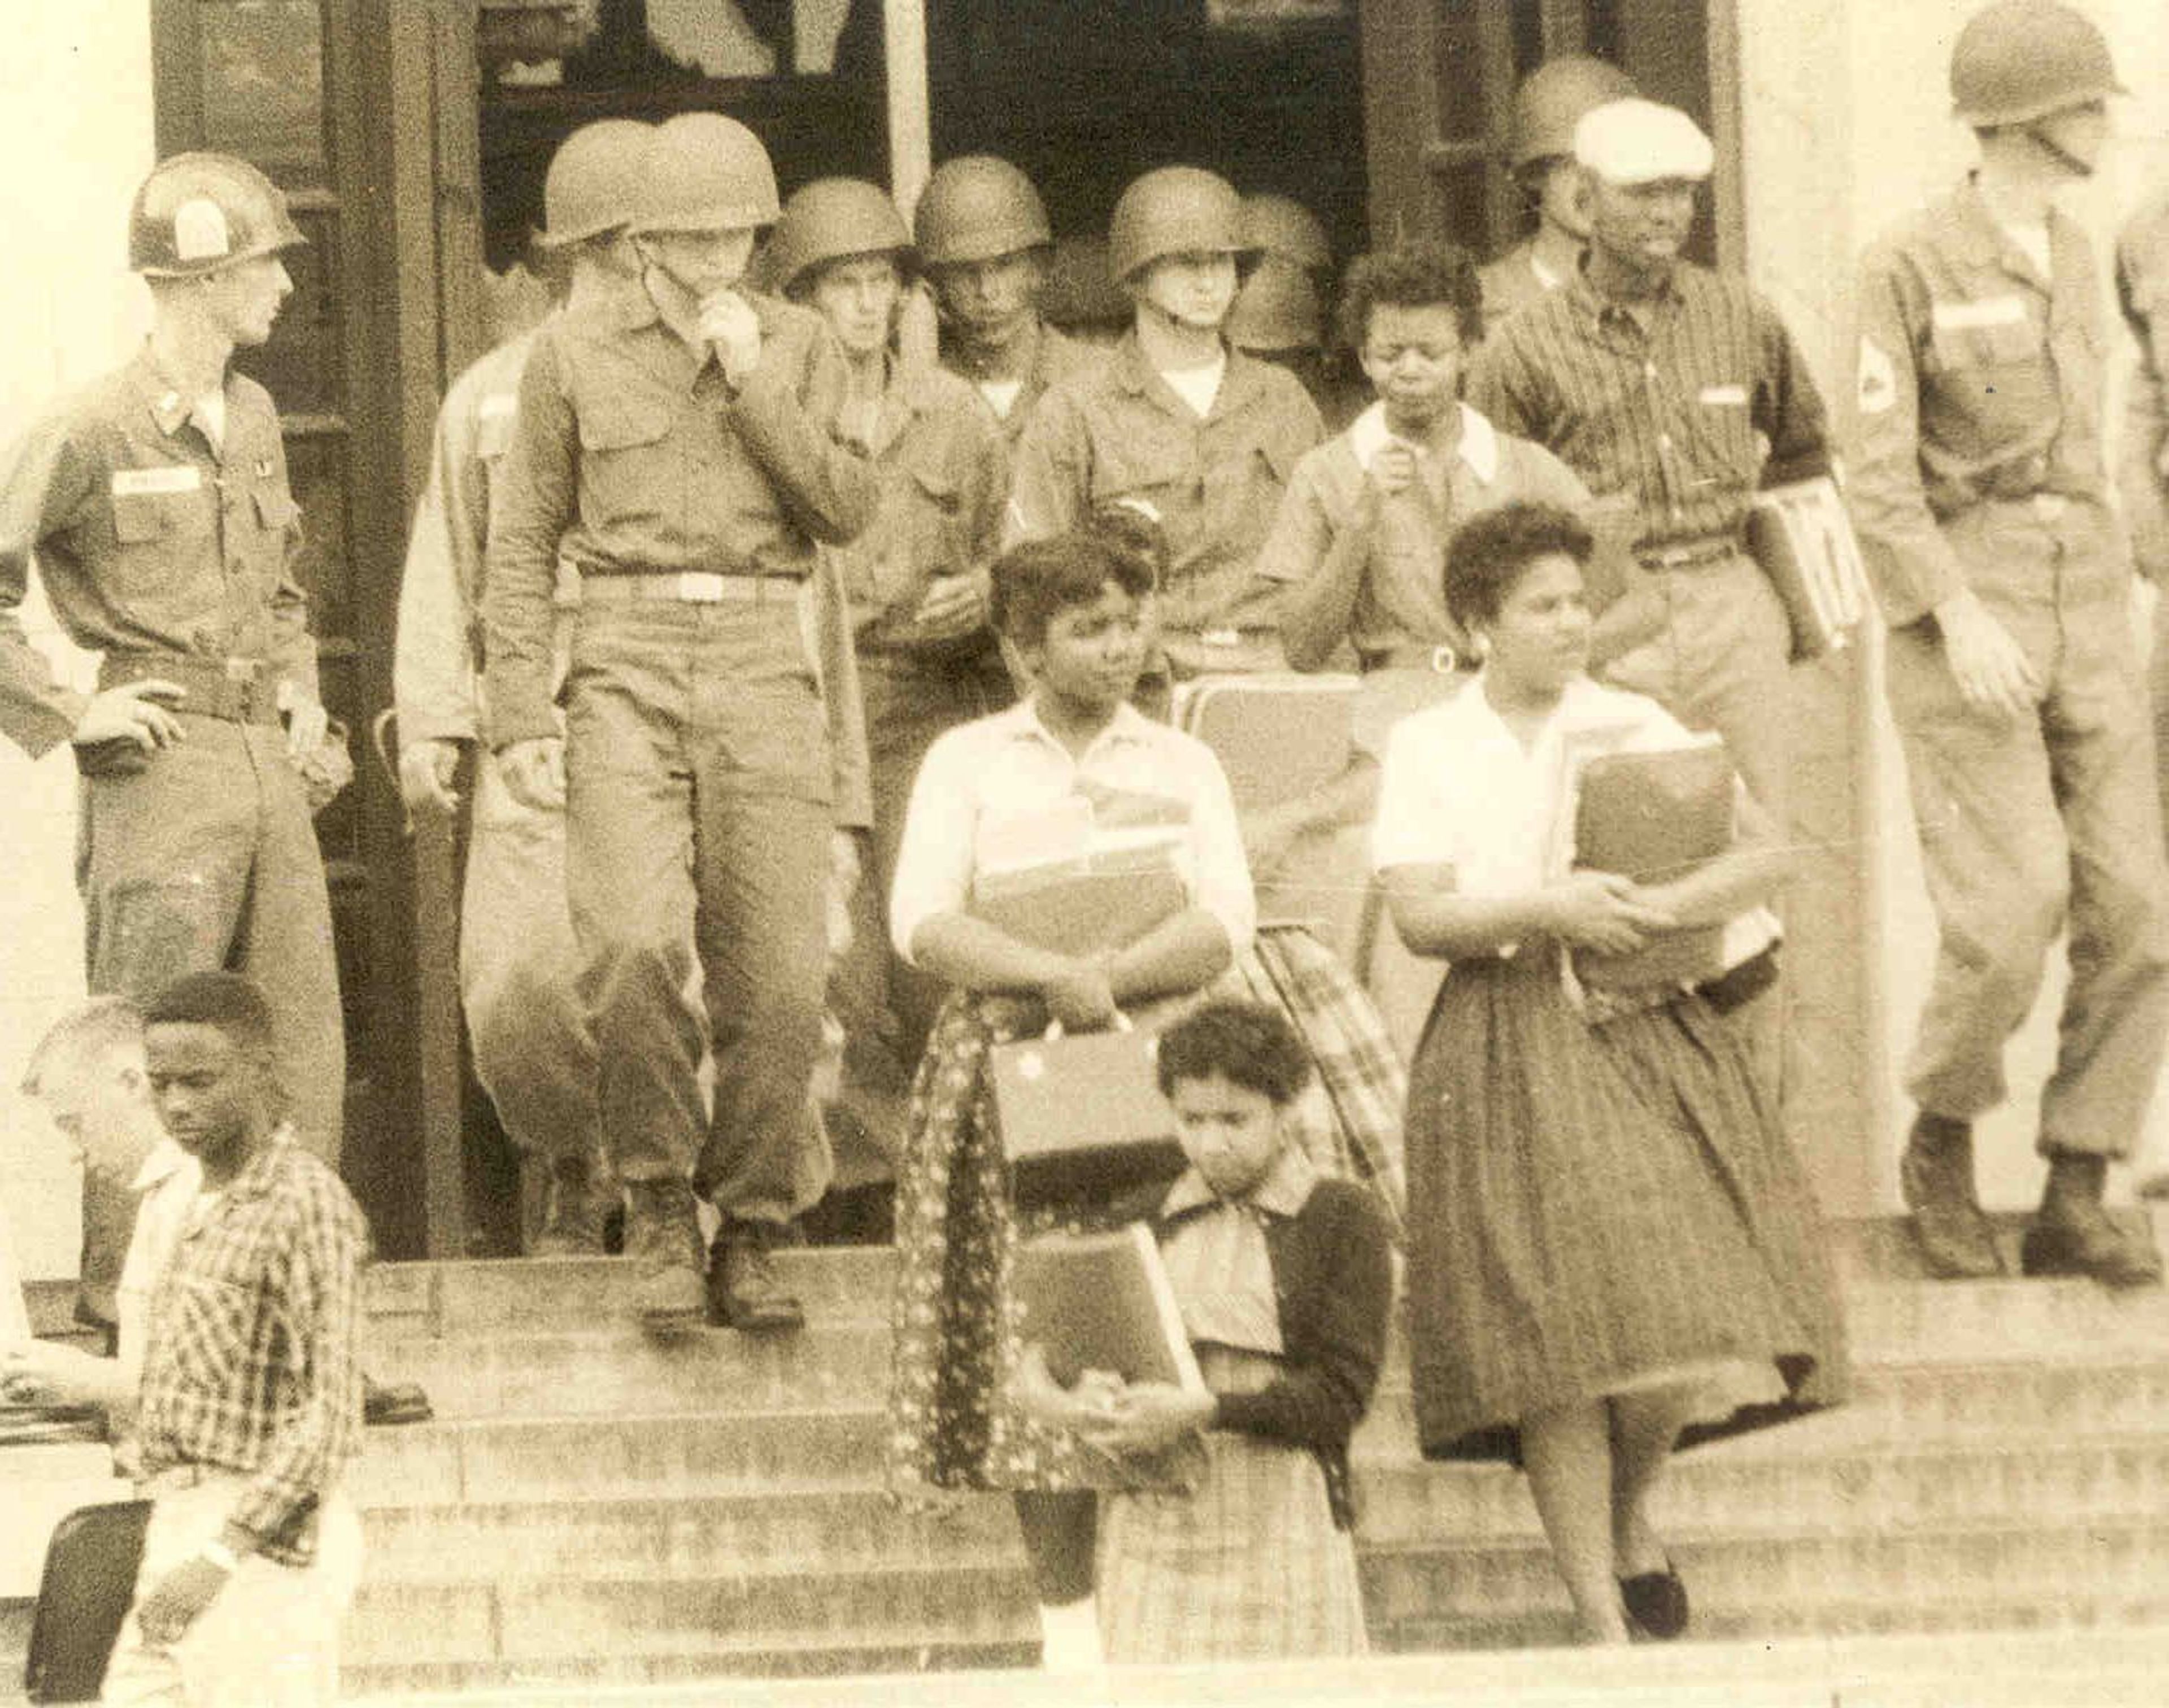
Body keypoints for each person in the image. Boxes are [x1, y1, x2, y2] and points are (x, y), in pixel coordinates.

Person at [1374, 502, 1846, 1645]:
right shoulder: (1432, 743)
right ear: (1481, 622)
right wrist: (1547, 907)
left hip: (1646, 1020)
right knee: (1554, 1340)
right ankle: (1599, 1613)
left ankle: (1634, 1508)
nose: (1573, 624)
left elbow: (1763, 851)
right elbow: (1422, 916)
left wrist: (1653, 909)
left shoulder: (1636, 720)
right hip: (1500, 1036)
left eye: (1581, 602)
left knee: (1678, 1309)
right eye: (1544, 607)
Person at [482, 112, 878, 1334]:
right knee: (634, 944)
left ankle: (753, 1225)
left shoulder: (803, 343)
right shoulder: (569, 353)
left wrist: (754, 375)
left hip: (766, 652)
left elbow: (845, 506)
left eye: (736, 238)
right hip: (622, 650)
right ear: (642, 242)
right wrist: (516, 714)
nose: (717, 261)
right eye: (692, 241)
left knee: (780, 972)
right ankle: (657, 1207)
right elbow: (519, 542)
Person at [883, 527, 1255, 1654]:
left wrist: (1112, 982)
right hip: (1016, 1063)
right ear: (1020, 647)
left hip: (1163, 1059)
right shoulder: (970, 762)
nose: (1119, 645)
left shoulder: (1182, 760)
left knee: (1184, 1313)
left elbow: (1222, 918)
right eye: (1088, 627)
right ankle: (1071, 1623)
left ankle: (1183, 1598)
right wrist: (1053, 976)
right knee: (1039, 1317)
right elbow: (922, 921)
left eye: (1131, 621)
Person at [1850, 0, 2169, 1286]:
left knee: (2141, 908)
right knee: (2014, 903)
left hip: (2085, 598)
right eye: (2088, 105)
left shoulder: (2085, 245)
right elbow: (1875, 480)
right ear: (2030, 119)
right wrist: (1953, 611)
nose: (2105, 123)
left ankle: (2074, 1185)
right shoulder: (1904, 263)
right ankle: (1938, 1133)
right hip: (1963, 606)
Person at [0, 152, 346, 1171]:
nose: (285, 288)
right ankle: (134, 1311)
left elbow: (283, 586)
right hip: (157, 770)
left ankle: (285, 1287)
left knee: (292, 1046)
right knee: (155, 1052)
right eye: (264, 267)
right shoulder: (88, 427)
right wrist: (68, 713)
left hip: (263, 765)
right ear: (199, 279)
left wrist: (305, 697)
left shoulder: (256, 418)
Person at [393, 117, 650, 1256]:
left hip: (664, 699)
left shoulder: (709, 391)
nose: (627, 276)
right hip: (530, 714)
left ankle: (658, 1183)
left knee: (662, 964)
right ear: (562, 259)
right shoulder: (491, 397)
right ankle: (566, 1154)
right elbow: (448, 557)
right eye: (604, 254)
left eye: (647, 249)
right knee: (515, 980)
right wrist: (434, 725)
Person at [1255, 241, 1601, 1052]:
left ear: (1471, 350)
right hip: (1396, 708)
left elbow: (1613, 597)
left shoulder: (1527, 467)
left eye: (1432, 352)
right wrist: (1361, 523)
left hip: (1527, 707)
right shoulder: (1330, 471)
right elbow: (1303, 645)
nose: (1409, 371)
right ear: (1364, 356)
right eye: (1387, 353)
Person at [1464, 98, 1833, 823]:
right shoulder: (1525, 343)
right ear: (1585, 198)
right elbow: (1491, 505)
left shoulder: (1743, 316)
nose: (1668, 212)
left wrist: (1804, 615)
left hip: (1735, 605)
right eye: (1644, 192)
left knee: (1768, 833)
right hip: (1605, 613)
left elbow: (1802, 454)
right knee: (1625, 835)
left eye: (1682, 192)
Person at [767, 177, 1011, 1112]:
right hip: (810, 707)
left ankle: (942, 1176)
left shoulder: (954, 412)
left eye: (882, 285)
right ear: (800, 300)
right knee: (834, 962)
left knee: (932, 948)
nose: (867, 305)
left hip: (925, 706)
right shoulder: (769, 411)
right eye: (842, 286)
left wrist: (987, 596)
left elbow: (1018, 559)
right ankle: (852, 1202)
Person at [1082, 998, 1391, 1663]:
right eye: (1193, 1119)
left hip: (1285, 1523)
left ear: (1286, 1112)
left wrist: (1208, 1409)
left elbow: (1342, 1397)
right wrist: (1079, 1398)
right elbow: (1080, 1360)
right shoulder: (1146, 1218)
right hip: (1153, 1528)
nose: (1213, 1141)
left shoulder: (1340, 1217)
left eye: (1235, 1119)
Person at [101, 973, 364, 1706]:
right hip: (177, 1523)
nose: (177, 1104)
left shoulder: (305, 1205)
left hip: (262, 1549)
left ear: (260, 1071)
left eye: (201, 1081)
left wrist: (221, 1553)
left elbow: (333, 1414)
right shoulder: (191, 1200)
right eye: (161, 1084)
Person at [1006, 164, 1325, 686]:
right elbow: (1028, 586)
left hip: (1276, 672)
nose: (1207, 282)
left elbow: (1330, 558)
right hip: (1139, 682)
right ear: (1136, 276)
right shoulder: (1075, 411)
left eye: (1222, 263)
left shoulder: (1284, 400)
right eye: (1184, 264)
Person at [13, 999, 198, 1405]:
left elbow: (217, 1395)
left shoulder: (201, 1195)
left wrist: (83, 1379)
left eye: (75, 1124)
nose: (75, 1153)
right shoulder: (164, 1193)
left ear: (132, 1083)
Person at [914, 155, 1103, 446]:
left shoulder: (1104, 382)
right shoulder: (918, 407)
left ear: (1039, 268)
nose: (988, 291)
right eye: (966, 272)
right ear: (935, 289)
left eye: (1004, 265)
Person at [1478, 54, 1639, 334]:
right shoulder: (1482, 305)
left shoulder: (1668, 301)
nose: (1596, 185)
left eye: (1613, 164)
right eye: (1573, 164)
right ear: (1535, 174)